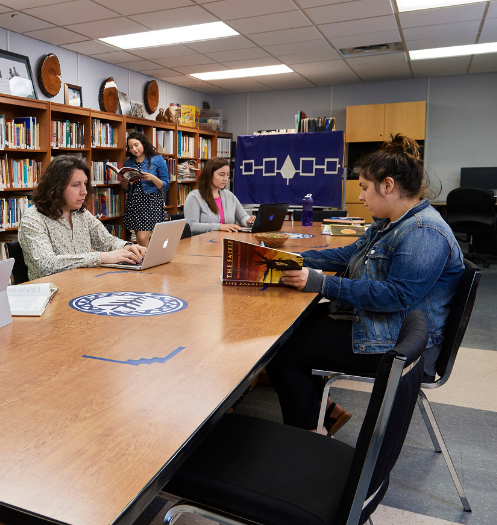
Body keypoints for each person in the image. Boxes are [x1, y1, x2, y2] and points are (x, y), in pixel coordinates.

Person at [271, 134, 463, 435]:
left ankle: (309, 435)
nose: (360, 197)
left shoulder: (424, 231)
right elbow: (349, 254)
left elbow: (396, 296)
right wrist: (295, 258)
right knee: (289, 330)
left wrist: (321, 284)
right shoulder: (392, 222)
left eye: (364, 188)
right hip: (386, 326)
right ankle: (326, 412)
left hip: (403, 345)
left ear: (387, 186)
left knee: (284, 352)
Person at [19, 156, 146, 281]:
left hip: (83, 285)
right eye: (75, 185)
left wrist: (127, 247)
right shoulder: (33, 218)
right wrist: (101, 257)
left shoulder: (82, 213)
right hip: (52, 292)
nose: (84, 191)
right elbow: (46, 265)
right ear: (55, 187)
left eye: (85, 184)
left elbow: (108, 242)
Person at [120, 131, 170, 247]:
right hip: (134, 203)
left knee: (142, 239)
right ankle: (147, 261)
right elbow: (126, 189)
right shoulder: (129, 162)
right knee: (139, 239)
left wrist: (152, 178)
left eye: (136, 145)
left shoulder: (157, 159)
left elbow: (166, 185)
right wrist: (124, 181)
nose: (134, 149)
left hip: (150, 203)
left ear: (143, 143)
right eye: (131, 147)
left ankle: (146, 262)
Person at [183, 157, 255, 234]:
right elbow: (191, 226)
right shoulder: (194, 197)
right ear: (209, 175)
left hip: (226, 240)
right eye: (221, 175)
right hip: (203, 243)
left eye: (227, 175)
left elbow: (242, 216)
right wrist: (220, 227)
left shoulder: (229, 195)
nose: (225, 179)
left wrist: (248, 221)